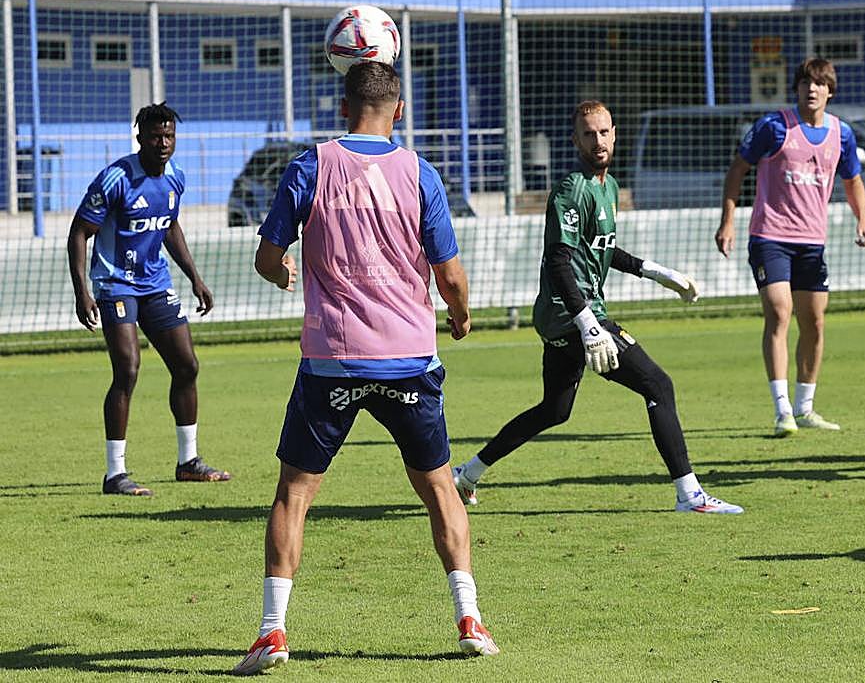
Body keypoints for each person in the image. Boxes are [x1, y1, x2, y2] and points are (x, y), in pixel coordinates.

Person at [233, 62, 497, 675]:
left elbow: (267, 256)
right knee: (438, 489)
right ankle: (469, 618)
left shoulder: (310, 165)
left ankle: (272, 632)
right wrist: (458, 315)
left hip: (332, 360)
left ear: (343, 104)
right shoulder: (421, 174)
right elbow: (450, 273)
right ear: (397, 111)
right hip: (407, 358)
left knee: (294, 495)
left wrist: (282, 271)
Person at [451, 100, 742, 515]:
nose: (598, 140)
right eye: (589, 133)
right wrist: (587, 323)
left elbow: (601, 249)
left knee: (555, 410)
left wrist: (658, 273)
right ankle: (690, 495)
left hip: (569, 315)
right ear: (575, 140)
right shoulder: (572, 188)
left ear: (614, 134)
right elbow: (559, 258)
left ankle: (467, 474)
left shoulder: (608, 187)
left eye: (604, 132)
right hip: (570, 312)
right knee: (658, 386)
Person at [67, 102, 228, 497]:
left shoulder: (175, 177)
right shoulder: (115, 179)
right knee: (128, 369)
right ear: (140, 137)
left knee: (187, 366)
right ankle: (114, 474)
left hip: (155, 284)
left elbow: (169, 225)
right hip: (115, 285)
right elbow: (79, 232)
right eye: (156, 136)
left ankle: (189, 462)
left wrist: (195, 278)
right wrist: (82, 292)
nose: (163, 143)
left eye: (169, 136)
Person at [714, 57, 865, 436]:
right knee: (780, 313)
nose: (812, 89)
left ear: (830, 91)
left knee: (814, 323)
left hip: (812, 243)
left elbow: (853, 180)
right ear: (797, 88)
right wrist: (728, 220)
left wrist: (862, 218)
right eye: (805, 83)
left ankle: (805, 407)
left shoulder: (842, 134)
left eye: (819, 83)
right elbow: (738, 169)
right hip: (770, 236)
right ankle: (782, 409)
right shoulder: (773, 127)